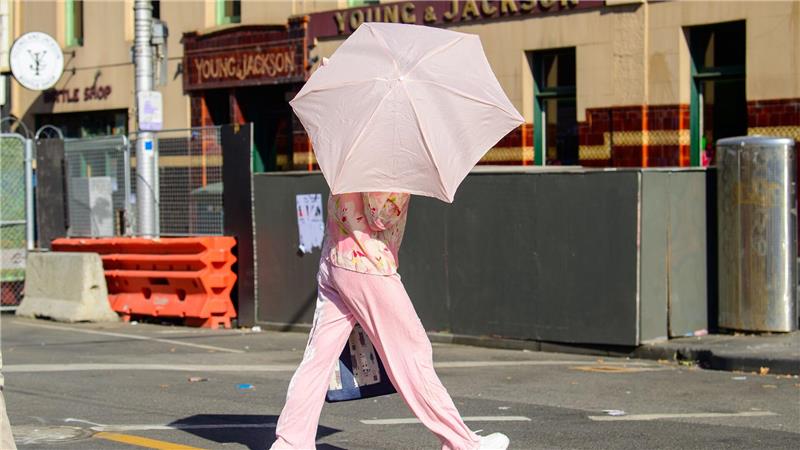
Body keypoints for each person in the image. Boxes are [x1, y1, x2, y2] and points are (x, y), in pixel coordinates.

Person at [270, 192, 509, 450]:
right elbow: (380, 215)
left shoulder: (348, 155)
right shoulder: (385, 160)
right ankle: (461, 443)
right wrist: (403, 189)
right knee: (411, 352)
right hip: (367, 263)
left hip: (335, 257)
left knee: (318, 358)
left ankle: (291, 442)